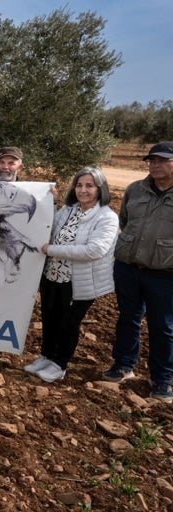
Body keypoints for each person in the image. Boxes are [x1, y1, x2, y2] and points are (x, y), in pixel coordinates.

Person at [23, 167, 117, 383]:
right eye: (79, 185)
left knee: (68, 323)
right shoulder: (68, 210)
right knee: (49, 317)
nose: (83, 190)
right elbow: (49, 226)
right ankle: (46, 356)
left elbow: (95, 250)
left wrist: (52, 249)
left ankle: (59, 364)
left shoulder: (106, 217)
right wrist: (49, 203)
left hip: (79, 282)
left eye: (89, 186)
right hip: (52, 275)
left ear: (100, 189)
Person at [106, 141, 173, 402]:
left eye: (162, 160)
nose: (155, 164)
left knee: (163, 327)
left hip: (165, 274)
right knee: (128, 319)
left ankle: (162, 379)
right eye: (152, 160)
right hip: (128, 268)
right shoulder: (135, 189)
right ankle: (123, 365)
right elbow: (124, 221)